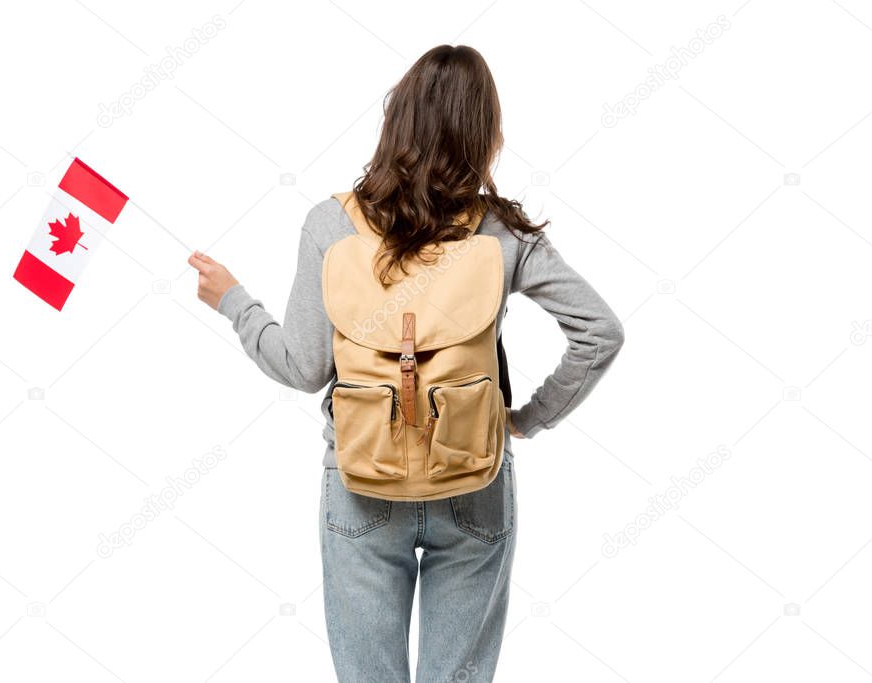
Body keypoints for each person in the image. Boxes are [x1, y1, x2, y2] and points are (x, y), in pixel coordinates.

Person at [188, 44, 624, 683]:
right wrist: (525, 420)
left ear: (396, 120)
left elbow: (304, 368)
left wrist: (233, 300)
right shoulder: (502, 233)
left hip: (360, 482)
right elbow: (599, 333)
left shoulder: (330, 225)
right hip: (473, 476)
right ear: (485, 134)